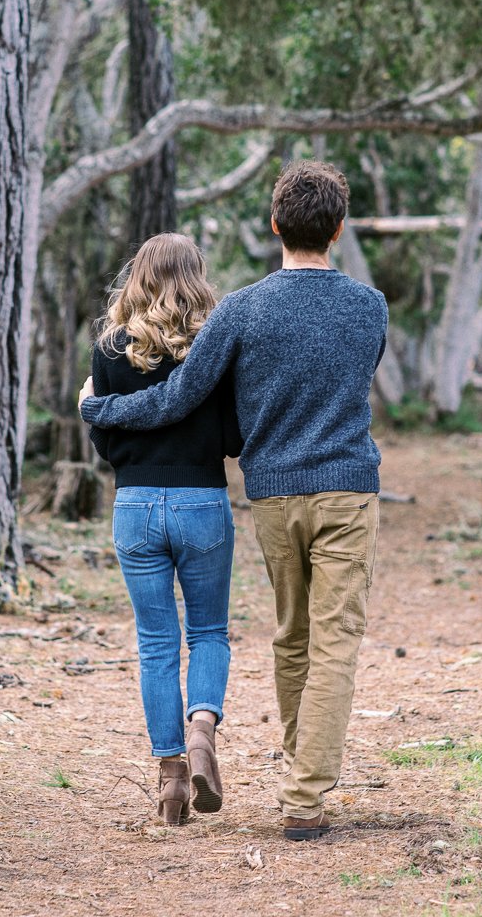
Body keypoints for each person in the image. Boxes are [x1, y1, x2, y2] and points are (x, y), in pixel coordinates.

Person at [81, 161, 386, 841]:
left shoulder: (245, 308)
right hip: (341, 493)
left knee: (290, 639)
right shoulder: (370, 306)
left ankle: (257, 776)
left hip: (272, 497)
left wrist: (101, 409)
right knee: (328, 642)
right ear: (339, 229)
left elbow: (180, 397)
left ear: (275, 223)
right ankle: (302, 792)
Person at [87, 233, 242, 825]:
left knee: (156, 645)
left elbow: (105, 440)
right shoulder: (213, 346)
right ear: (196, 278)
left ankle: (171, 777)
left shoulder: (108, 347)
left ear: (139, 274)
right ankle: (203, 725)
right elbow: (233, 439)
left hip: (135, 506)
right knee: (208, 633)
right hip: (202, 501)